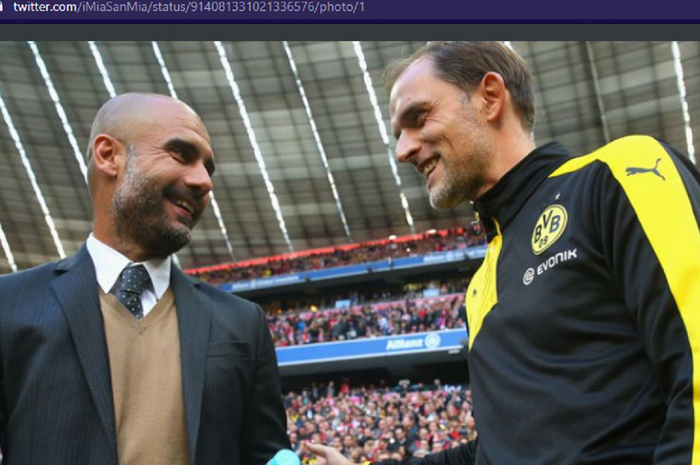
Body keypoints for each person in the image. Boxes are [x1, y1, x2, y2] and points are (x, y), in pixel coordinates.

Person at [304, 41, 700, 464]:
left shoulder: (618, 175)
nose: (403, 149)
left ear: (490, 97)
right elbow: (497, 451)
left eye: (418, 118)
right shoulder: (480, 286)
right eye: (399, 134)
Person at [0, 93, 290, 465]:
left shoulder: (242, 322)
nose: (204, 181)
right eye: (181, 155)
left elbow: (267, 454)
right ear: (109, 155)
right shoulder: (9, 304)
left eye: (208, 168)